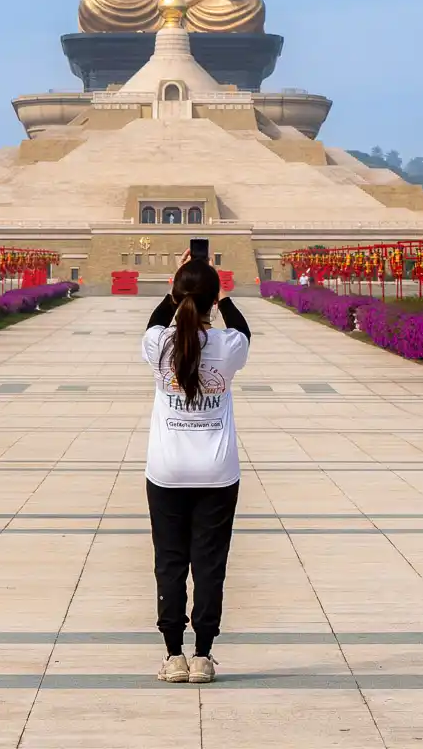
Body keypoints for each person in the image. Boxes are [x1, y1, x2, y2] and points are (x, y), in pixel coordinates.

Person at [142, 252, 251, 685]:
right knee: (209, 564)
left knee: (170, 562)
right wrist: (220, 297)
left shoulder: (158, 346)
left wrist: (179, 288)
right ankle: (203, 654)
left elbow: (154, 323)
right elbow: (242, 329)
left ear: (176, 294)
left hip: (167, 472)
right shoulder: (228, 347)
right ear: (212, 300)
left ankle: (173, 655)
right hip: (217, 474)